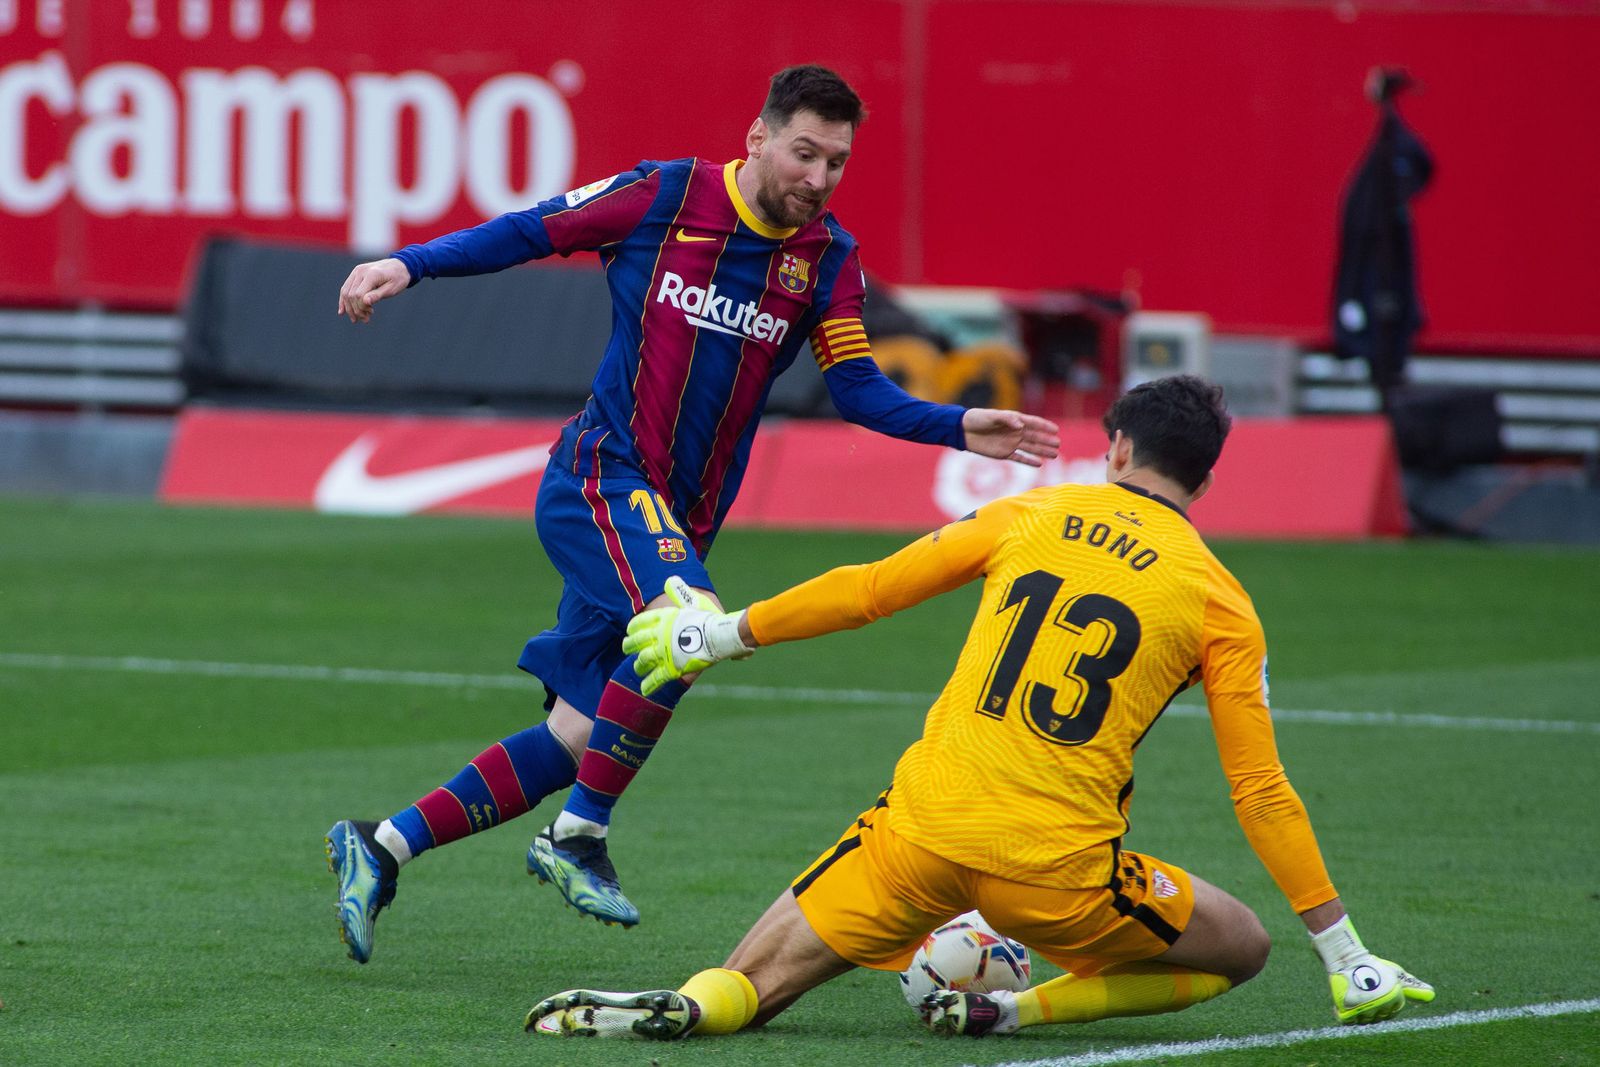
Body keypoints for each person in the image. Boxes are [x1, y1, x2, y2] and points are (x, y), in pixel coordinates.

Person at [322, 64, 1061, 963]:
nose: (818, 178)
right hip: (602, 478)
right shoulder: (661, 195)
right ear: (758, 138)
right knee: (690, 627)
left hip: (680, 520)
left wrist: (956, 425)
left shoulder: (827, 260)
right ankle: (576, 838)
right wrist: (407, 263)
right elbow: (529, 231)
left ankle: (383, 844)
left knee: (578, 732)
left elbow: (857, 388)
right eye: (804, 153)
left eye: (836, 161)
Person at [525, 375, 1434, 1040]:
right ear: (1205, 480)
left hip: (916, 837)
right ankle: (1013, 1011)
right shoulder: (1223, 602)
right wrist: (1343, 947)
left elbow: (872, 589)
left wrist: (722, 634)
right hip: (1056, 877)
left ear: (1117, 447)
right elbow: (1260, 789)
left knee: (749, 983)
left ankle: (696, 1001)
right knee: (1241, 946)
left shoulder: (1030, 515)